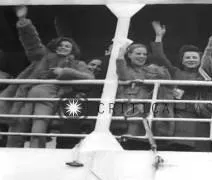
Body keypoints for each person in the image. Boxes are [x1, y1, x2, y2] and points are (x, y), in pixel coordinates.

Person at [2, 6, 94, 148]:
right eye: (61, 45)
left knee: (38, 130)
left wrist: (65, 72)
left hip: (49, 98)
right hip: (25, 96)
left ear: (73, 49)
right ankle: (10, 153)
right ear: (55, 47)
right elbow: (32, 42)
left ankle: (37, 153)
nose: (63, 47)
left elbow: (90, 79)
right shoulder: (43, 57)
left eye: (67, 46)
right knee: (17, 128)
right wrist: (23, 22)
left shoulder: (77, 64)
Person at [150, 21, 212, 151]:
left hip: (201, 118)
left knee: (201, 152)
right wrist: (159, 36)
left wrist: (209, 46)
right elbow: (160, 57)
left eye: (194, 57)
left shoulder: (205, 74)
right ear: (182, 60)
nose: (191, 59)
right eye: (187, 57)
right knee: (178, 150)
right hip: (179, 117)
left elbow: (207, 62)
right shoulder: (176, 72)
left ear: (199, 60)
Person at [111, 41, 174, 150]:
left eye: (144, 54)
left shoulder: (151, 69)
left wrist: (161, 73)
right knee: (129, 141)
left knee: (143, 142)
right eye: (138, 54)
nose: (142, 57)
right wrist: (121, 54)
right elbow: (123, 74)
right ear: (129, 55)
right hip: (129, 110)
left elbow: (169, 85)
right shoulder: (128, 70)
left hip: (148, 110)